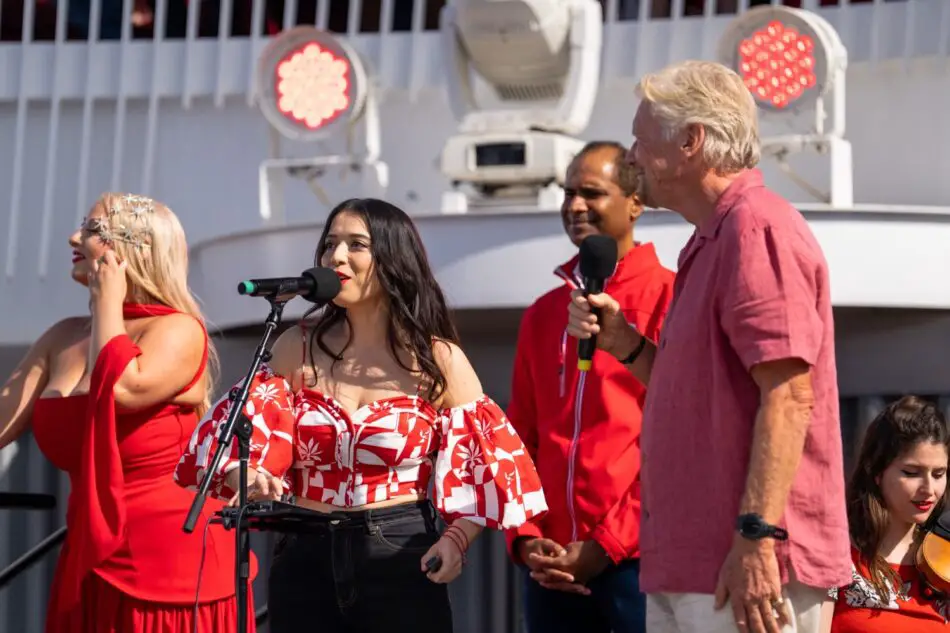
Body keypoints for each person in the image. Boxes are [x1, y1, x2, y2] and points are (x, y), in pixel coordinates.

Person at [566, 59, 852, 633]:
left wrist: (756, 537)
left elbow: (790, 395)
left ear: (691, 142)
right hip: (693, 566)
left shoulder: (757, 230)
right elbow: (702, 394)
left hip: (745, 565)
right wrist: (625, 344)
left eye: (642, 139)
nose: (632, 156)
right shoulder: (712, 240)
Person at [174, 197, 548, 633]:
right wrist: (248, 474)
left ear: (392, 258)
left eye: (356, 244)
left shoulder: (437, 359)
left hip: (400, 548)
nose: (336, 256)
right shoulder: (296, 346)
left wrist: (456, 539)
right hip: (305, 548)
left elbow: (487, 473)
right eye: (329, 244)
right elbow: (242, 444)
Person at [0, 192, 252, 631]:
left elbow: (120, 387)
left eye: (93, 229)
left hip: (169, 559)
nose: (73, 237)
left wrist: (107, 305)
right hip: (91, 550)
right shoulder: (61, 338)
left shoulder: (178, 329)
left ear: (134, 248)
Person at [504, 141, 674, 633]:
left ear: (635, 202)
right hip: (550, 568)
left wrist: (606, 546)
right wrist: (526, 537)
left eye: (592, 193)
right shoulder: (542, 314)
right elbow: (519, 439)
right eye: (568, 193)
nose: (575, 205)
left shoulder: (670, 296)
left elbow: (678, 443)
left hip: (637, 563)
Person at [830, 395, 950, 631]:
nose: (929, 490)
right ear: (877, 472)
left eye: (938, 474)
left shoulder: (945, 561)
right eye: (911, 472)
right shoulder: (837, 558)